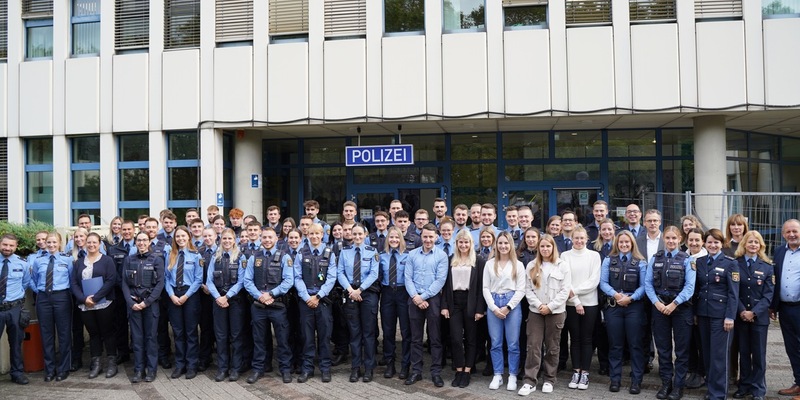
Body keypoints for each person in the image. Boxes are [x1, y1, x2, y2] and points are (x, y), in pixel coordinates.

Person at [645, 226, 696, 400]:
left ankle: (678, 387)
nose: (671, 241)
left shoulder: (687, 260)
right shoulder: (655, 258)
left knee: (681, 351)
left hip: (681, 310)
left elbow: (690, 287)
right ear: (664, 239)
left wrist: (674, 304)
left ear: (680, 239)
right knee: (664, 349)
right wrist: (657, 303)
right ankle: (666, 383)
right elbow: (648, 283)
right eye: (668, 238)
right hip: (660, 309)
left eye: (674, 238)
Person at [517, 234, 571, 395]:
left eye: (548, 246)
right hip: (536, 311)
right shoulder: (532, 266)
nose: (545, 249)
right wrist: (540, 305)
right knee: (533, 345)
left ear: (553, 247)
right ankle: (530, 381)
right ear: (538, 248)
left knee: (553, 347)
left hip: (556, 311)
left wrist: (550, 306)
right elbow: (528, 289)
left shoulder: (562, 265)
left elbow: (565, 290)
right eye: (542, 246)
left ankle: (549, 379)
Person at [599, 230, 647, 394]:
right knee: (615, 345)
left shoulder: (640, 262)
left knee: (635, 345)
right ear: (616, 244)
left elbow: (644, 286)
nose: (624, 245)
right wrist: (616, 295)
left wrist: (631, 298)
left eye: (627, 242)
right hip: (614, 307)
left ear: (632, 243)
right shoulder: (608, 260)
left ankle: (636, 381)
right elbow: (603, 282)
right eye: (621, 242)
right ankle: (615, 379)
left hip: (634, 307)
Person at [245, 227, 294, 384]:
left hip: (277, 306)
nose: (267, 240)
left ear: (276, 239)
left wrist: (271, 294)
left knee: (283, 340)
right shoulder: (254, 257)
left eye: (270, 237)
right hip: (259, 306)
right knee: (259, 340)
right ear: (260, 238)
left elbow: (288, 281)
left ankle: (285, 369)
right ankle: (258, 369)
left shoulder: (285, 257)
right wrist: (260, 296)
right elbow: (247, 281)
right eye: (264, 237)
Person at [695, 228, 739, 400]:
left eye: (716, 242)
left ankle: (719, 394)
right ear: (705, 243)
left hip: (721, 317)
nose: (712, 245)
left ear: (722, 244)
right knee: (707, 355)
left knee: (719, 356)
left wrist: (730, 317)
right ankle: (711, 389)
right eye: (709, 242)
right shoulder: (700, 262)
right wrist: (695, 313)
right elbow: (697, 290)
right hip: (703, 314)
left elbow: (733, 293)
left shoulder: (730, 263)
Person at [404, 223, 448, 387]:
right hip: (414, 298)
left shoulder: (442, 256)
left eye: (431, 236)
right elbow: (407, 278)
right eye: (425, 236)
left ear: (436, 237)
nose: (428, 239)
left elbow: (440, 280)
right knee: (415, 339)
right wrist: (416, 297)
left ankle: (436, 373)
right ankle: (416, 371)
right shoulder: (412, 254)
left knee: (435, 339)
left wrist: (422, 297)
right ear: (420, 237)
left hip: (433, 299)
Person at [441, 229, 486, 388]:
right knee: (455, 338)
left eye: (466, 242)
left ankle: (467, 371)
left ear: (471, 244)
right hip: (455, 302)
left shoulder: (479, 261)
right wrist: (444, 306)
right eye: (461, 242)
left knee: (471, 338)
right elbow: (446, 285)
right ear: (456, 243)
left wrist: (480, 309)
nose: (463, 245)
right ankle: (459, 370)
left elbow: (482, 287)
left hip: (471, 302)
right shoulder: (450, 260)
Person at [294, 223, 338, 383]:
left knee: (325, 337)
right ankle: (307, 369)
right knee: (307, 337)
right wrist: (307, 297)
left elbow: (332, 278)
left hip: (323, 302)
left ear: (322, 235)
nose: (314, 236)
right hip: (306, 302)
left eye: (317, 234)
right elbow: (297, 277)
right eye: (311, 234)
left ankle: (325, 369)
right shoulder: (301, 253)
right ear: (307, 235)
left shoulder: (329, 253)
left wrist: (318, 296)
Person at [71, 232, 119, 379]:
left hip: (104, 303)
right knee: (93, 334)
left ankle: (112, 363)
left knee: (108, 332)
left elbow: (111, 280)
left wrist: (96, 297)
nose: (91, 245)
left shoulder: (107, 260)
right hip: (85, 305)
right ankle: (96, 363)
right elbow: (74, 283)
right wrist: (84, 299)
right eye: (89, 242)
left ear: (100, 244)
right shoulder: (78, 262)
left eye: (94, 242)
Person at [482, 231, 526, 391]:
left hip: (511, 304)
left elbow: (521, 290)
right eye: (500, 243)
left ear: (511, 245)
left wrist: (508, 308)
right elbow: (485, 288)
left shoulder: (518, 265)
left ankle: (513, 375)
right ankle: (498, 374)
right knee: (495, 343)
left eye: (506, 243)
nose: (503, 246)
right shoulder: (489, 264)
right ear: (496, 245)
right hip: (493, 303)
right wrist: (493, 308)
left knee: (513, 343)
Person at [733, 230, 773, 400]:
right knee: (743, 353)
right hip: (741, 317)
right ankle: (744, 386)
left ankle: (758, 389)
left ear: (761, 245)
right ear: (744, 244)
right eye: (750, 242)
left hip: (759, 319)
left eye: (756, 242)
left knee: (758, 355)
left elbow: (769, 295)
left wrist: (754, 312)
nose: (753, 245)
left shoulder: (768, 266)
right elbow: (733, 291)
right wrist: (742, 311)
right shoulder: (735, 264)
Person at [338, 224, 380, 382]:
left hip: (367, 294)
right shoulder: (344, 251)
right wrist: (351, 290)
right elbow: (340, 272)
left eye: (359, 234)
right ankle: (355, 368)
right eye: (354, 233)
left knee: (368, 334)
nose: (356, 236)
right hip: (350, 293)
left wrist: (360, 290)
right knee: (354, 334)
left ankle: (369, 368)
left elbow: (374, 273)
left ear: (365, 234)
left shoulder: (372, 251)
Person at [121, 231, 165, 383]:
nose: (141, 243)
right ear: (135, 242)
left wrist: (146, 302)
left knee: (151, 338)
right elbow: (124, 283)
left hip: (150, 305)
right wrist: (131, 303)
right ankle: (139, 370)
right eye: (139, 240)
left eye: (144, 240)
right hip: (133, 306)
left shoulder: (157, 260)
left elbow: (160, 284)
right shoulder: (129, 259)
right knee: (137, 339)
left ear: (149, 242)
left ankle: (151, 371)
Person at [561, 226, 601, 391]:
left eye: (581, 238)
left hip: (590, 303)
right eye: (575, 238)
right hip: (570, 304)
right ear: (571, 239)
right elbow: (565, 280)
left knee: (587, 339)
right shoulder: (565, 256)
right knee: (574, 338)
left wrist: (575, 293)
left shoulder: (594, 256)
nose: (578, 241)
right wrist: (576, 301)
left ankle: (585, 372)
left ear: (587, 239)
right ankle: (576, 371)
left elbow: (593, 281)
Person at [30, 232, 73, 382]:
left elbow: (72, 279)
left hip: (62, 297)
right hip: (43, 298)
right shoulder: (38, 261)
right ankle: (49, 370)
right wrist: (40, 292)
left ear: (60, 243)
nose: (51, 245)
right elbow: (34, 279)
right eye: (49, 242)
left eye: (54, 242)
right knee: (46, 334)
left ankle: (63, 369)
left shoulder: (67, 260)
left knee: (64, 334)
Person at [206, 228, 247, 382]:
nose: (227, 241)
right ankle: (222, 369)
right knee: (221, 336)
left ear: (234, 240)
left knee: (236, 336)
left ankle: (235, 369)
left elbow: (242, 281)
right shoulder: (214, 257)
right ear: (220, 240)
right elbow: (209, 281)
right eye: (225, 239)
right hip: (218, 302)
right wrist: (218, 297)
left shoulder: (241, 257)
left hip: (235, 302)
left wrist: (227, 296)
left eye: (230, 239)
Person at [164, 226, 203, 379]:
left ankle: (192, 365)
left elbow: (199, 279)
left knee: (191, 332)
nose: (180, 239)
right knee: (178, 332)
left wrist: (186, 296)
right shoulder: (170, 255)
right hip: (174, 294)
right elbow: (166, 278)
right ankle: (180, 365)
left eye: (183, 236)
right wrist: (172, 295)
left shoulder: (196, 256)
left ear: (189, 237)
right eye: (177, 236)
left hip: (190, 295)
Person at [378, 227, 411, 379]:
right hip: (387, 294)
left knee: (405, 331)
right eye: (391, 237)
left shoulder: (409, 256)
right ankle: (390, 364)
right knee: (388, 331)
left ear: (401, 239)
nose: (394, 240)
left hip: (404, 292)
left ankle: (405, 365)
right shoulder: (381, 256)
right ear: (387, 239)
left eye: (397, 238)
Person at [772, 219, 800, 398]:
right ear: (783, 235)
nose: (792, 234)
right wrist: (773, 306)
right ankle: (798, 382)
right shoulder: (779, 251)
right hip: (785, 308)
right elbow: (776, 280)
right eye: (788, 232)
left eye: (795, 231)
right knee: (791, 348)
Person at [0, 234, 33, 385]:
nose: (7, 248)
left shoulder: (23, 263)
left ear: (16, 246)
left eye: (11, 246)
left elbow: (25, 283)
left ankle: (17, 373)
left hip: (14, 308)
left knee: (16, 342)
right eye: (5, 245)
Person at [684, 227, 709, 390]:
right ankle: (692, 371)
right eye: (691, 240)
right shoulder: (683, 257)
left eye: (697, 240)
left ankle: (702, 373)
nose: (693, 243)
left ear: (703, 242)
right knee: (689, 342)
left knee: (702, 343)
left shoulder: (706, 259)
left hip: (700, 309)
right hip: (684, 307)